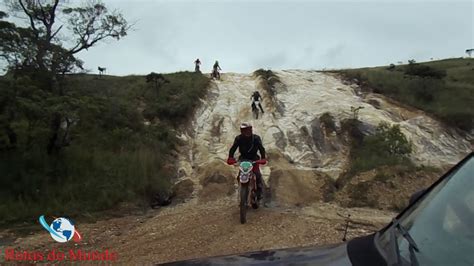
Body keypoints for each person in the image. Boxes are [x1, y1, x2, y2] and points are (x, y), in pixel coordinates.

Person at [227, 122, 267, 200]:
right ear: (241, 131)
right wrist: (230, 158)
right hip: (243, 159)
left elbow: (261, 149)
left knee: (257, 174)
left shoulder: (256, 138)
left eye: (248, 130)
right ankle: (241, 191)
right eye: (244, 130)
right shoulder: (238, 138)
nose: (247, 132)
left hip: (254, 159)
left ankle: (259, 191)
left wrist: (263, 158)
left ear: (251, 130)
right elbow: (233, 148)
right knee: (240, 175)